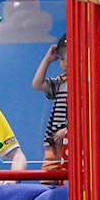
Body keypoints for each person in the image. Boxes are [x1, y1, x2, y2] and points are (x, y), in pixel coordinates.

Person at [32, 35, 69, 167]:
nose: (63, 63)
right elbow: (37, 84)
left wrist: (68, 131)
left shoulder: (86, 83)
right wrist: (47, 61)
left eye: (66, 57)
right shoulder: (62, 81)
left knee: (69, 176)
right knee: (49, 178)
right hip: (53, 142)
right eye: (61, 59)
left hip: (72, 141)